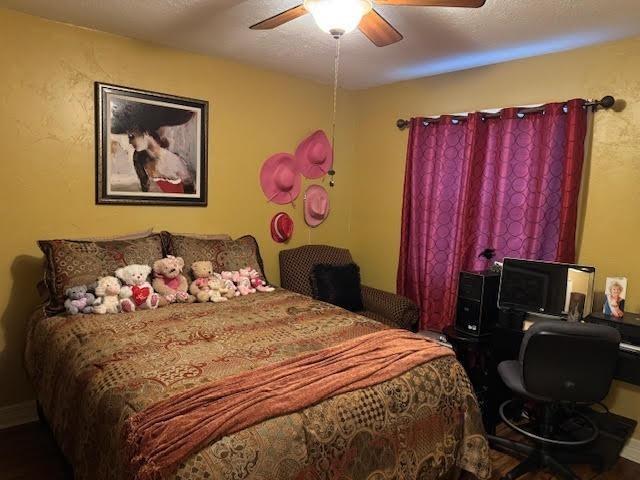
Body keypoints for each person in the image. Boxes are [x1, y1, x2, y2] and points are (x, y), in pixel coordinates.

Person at [127, 128, 194, 194]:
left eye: (131, 136)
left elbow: (189, 188)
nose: (129, 142)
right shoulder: (139, 158)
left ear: (146, 133)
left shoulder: (172, 159)